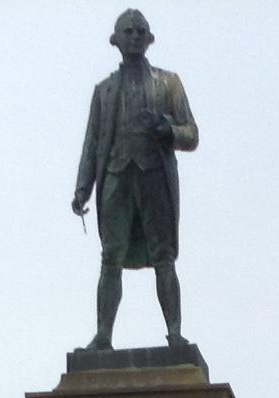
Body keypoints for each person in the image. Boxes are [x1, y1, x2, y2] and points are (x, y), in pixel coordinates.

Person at [71, 7, 198, 352]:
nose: (135, 36)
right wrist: (82, 188)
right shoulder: (104, 91)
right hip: (116, 177)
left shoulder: (168, 83)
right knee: (110, 258)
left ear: (150, 38)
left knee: (164, 257)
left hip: (153, 177)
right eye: (128, 31)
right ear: (115, 39)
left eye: (141, 31)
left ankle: (174, 333)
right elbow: (92, 143)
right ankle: (103, 335)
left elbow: (191, 134)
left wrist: (167, 129)